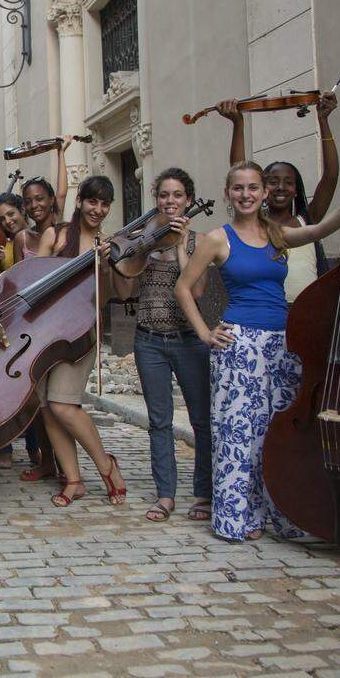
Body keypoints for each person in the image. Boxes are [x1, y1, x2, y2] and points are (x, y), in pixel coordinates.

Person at [174, 161, 340, 542]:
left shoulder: (277, 233)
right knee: (239, 433)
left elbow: (321, 228)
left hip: (283, 342)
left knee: (280, 431)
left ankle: (285, 515)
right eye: (238, 188)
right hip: (239, 344)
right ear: (228, 193)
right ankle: (237, 519)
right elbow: (183, 288)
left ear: (264, 193)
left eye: (253, 187)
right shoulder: (217, 238)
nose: (246, 194)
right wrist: (204, 332)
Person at [111, 169, 212, 523]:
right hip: (149, 340)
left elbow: (196, 291)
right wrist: (119, 256)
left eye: (178, 195)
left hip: (188, 341)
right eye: (164, 195)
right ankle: (165, 495)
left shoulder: (199, 241)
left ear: (188, 200)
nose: (171, 201)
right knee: (159, 422)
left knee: (201, 420)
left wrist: (182, 244)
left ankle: (203, 493)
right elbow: (125, 292)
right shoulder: (145, 242)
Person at [35, 175, 128, 508]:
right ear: (80, 202)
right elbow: (32, 277)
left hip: (79, 332)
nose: (98, 209)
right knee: (46, 406)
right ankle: (74, 480)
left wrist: (105, 266)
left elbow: (108, 298)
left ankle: (106, 465)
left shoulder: (108, 243)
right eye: (93, 201)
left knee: (63, 404)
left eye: (104, 204)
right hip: (44, 332)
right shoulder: (56, 235)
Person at [217, 93, 340, 302]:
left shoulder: (308, 218)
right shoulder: (255, 223)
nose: (281, 187)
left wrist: (323, 120)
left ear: (296, 190)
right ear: (263, 189)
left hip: (308, 314)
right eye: (273, 181)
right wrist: (238, 123)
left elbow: (331, 176)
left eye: (288, 182)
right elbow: (238, 170)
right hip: (268, 312)